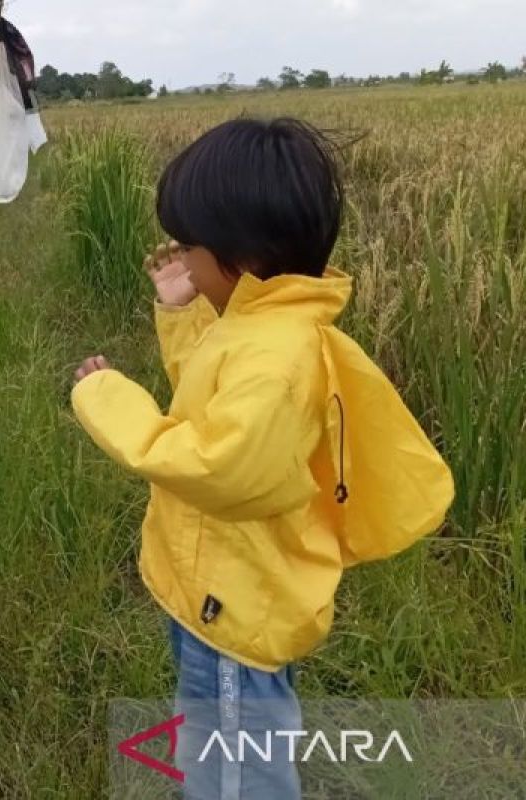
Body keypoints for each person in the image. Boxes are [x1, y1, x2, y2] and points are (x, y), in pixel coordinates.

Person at [69, 117, 453, 799]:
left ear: (242, 259)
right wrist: (183, 312)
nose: (183, 261)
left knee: (240, 773)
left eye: (191, 249)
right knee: (224, 752)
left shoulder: (276, 358)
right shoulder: (260, 326)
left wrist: (105, 398)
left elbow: (218, 463)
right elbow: (215, 395)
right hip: (227, 593)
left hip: (234, 608)